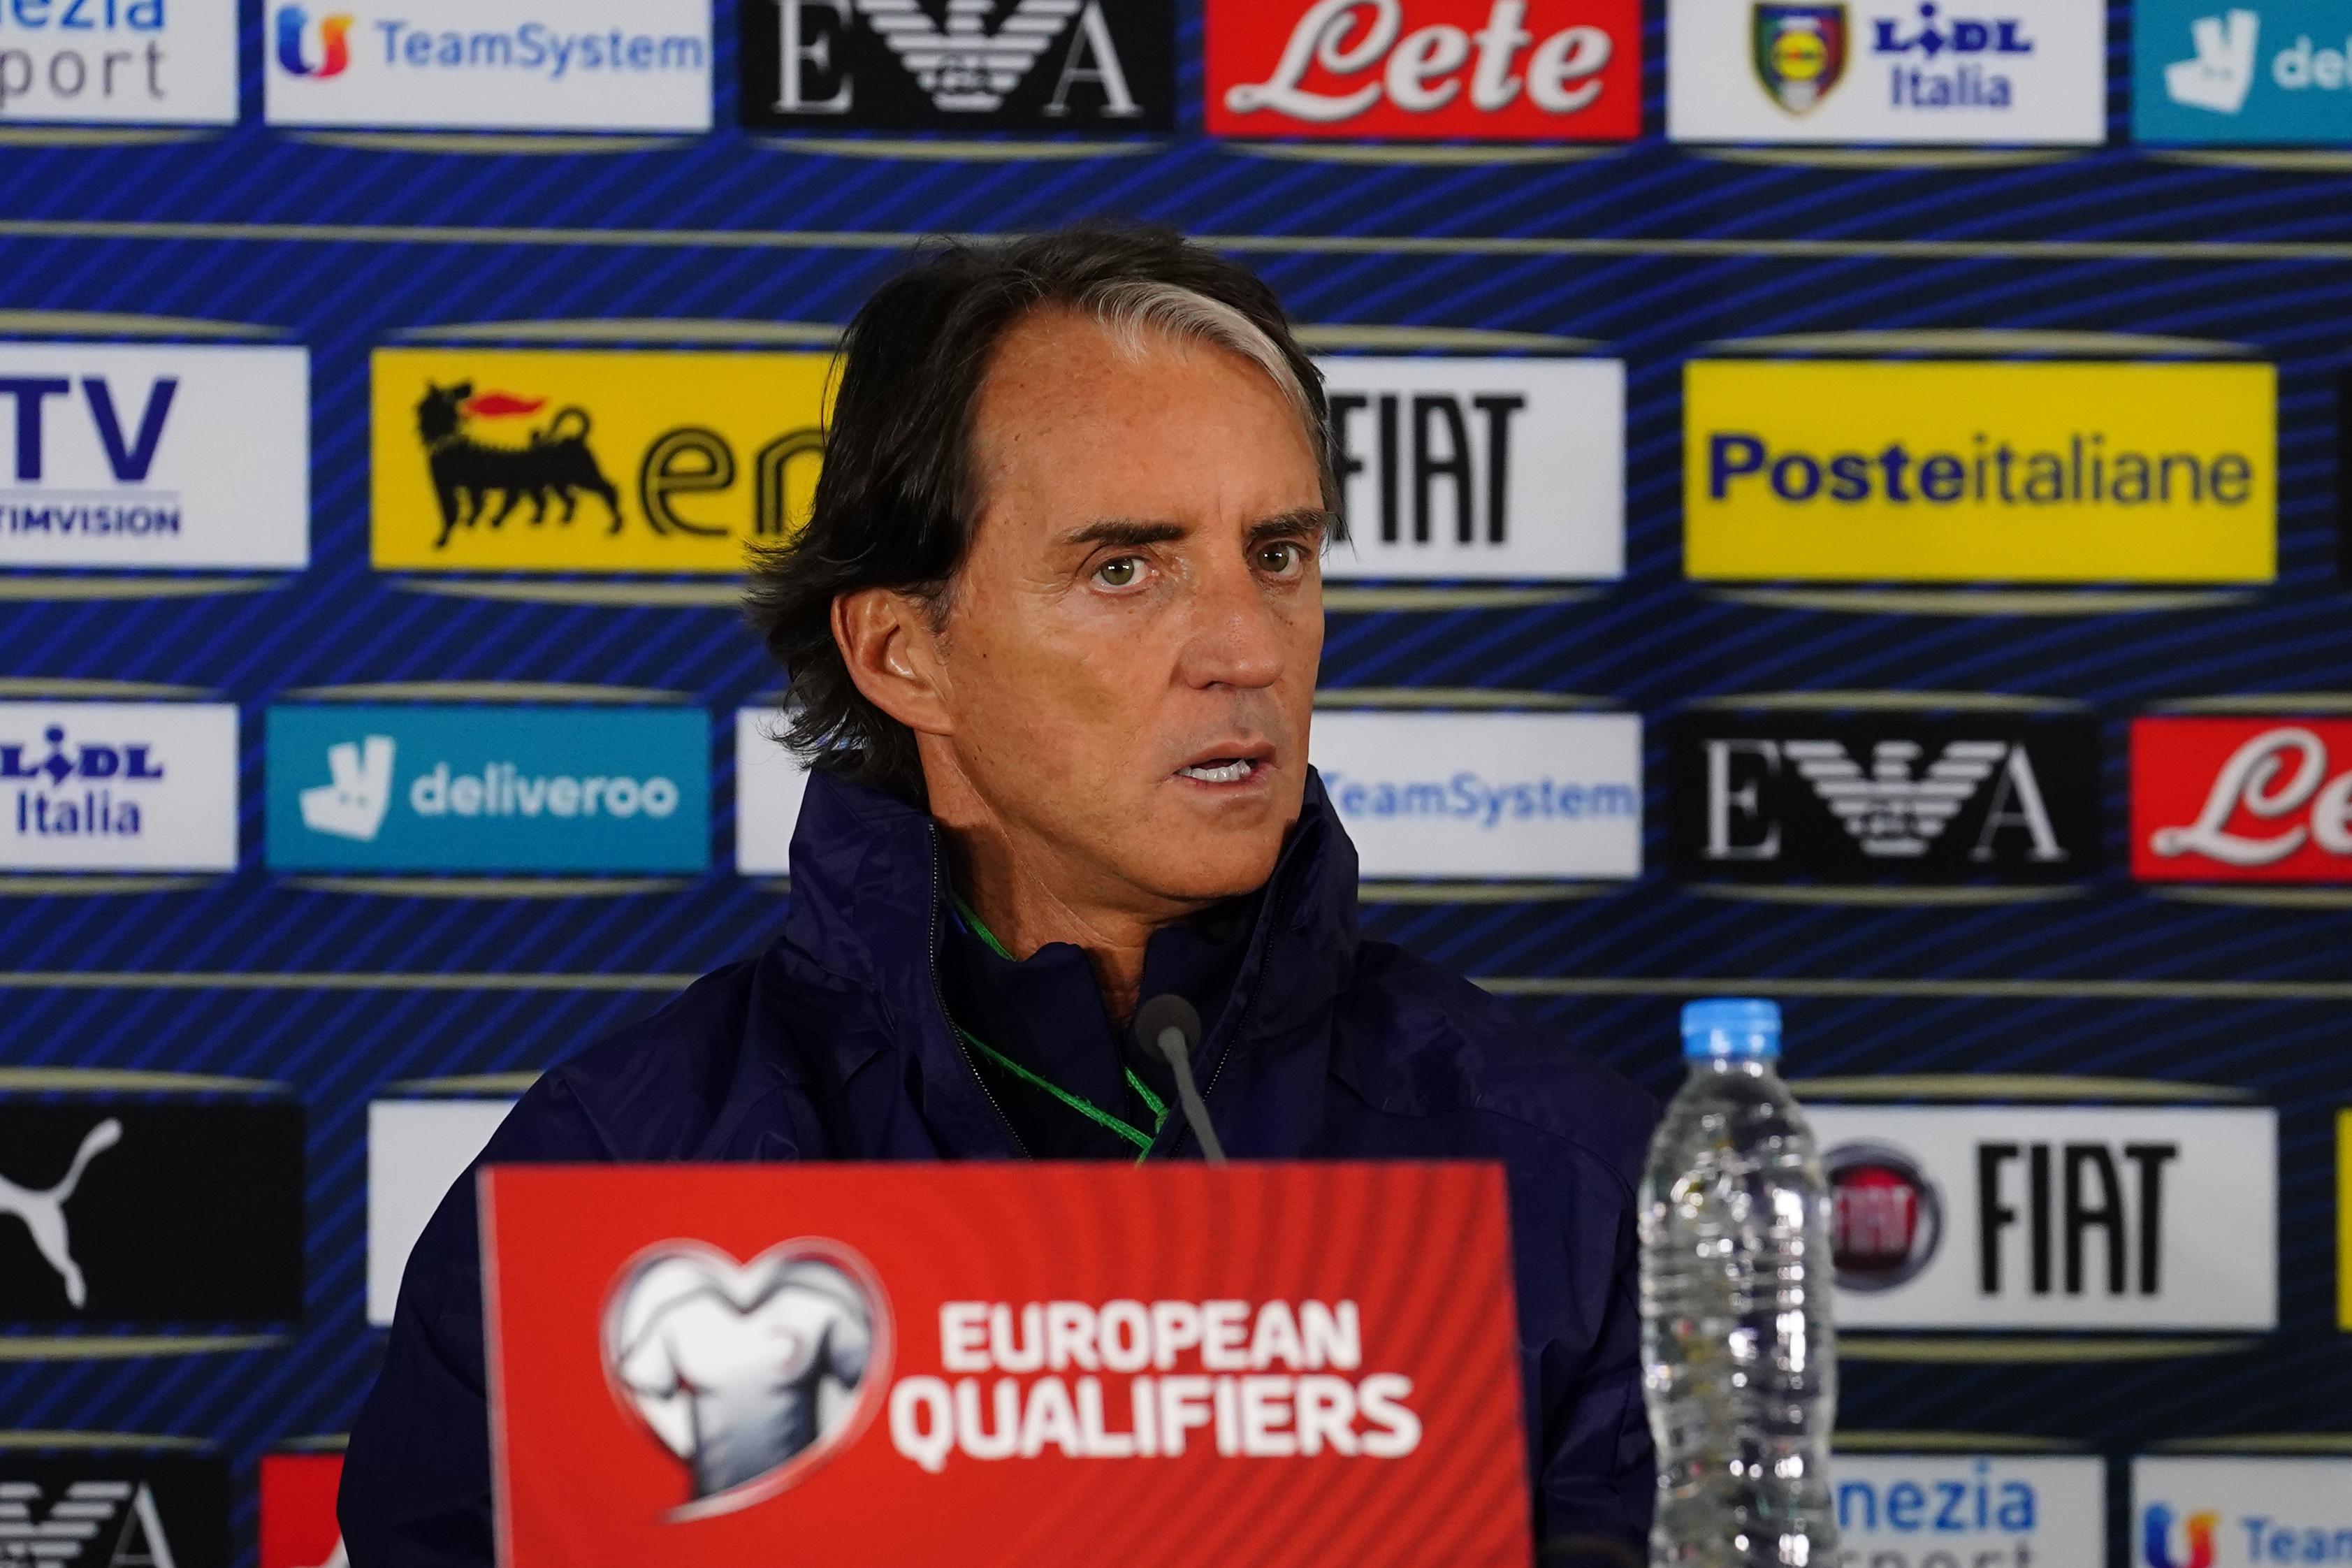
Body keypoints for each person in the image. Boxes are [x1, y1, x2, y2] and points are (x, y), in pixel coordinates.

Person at [338, 223, 1656, 1563]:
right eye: (1124, 569)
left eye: (1278, 554)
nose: (1247, 647)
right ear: (906, 653)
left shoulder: (1568, 1177)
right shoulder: (617, 1184)